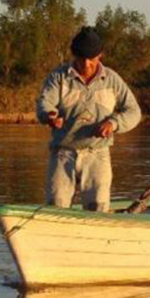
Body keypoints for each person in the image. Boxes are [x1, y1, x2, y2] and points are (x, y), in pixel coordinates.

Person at [36, 26, 141, 211]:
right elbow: (45, 103)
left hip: (97, 153)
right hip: (63, 152)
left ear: (100, 55)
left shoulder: (112, 79)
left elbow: (133, 112)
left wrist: (113, 124)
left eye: (91, 59)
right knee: (56, 206)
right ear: (74, 55)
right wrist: (50, 116)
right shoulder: (58, 77)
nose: (85, 64)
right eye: (81, 58)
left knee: (97, 207)